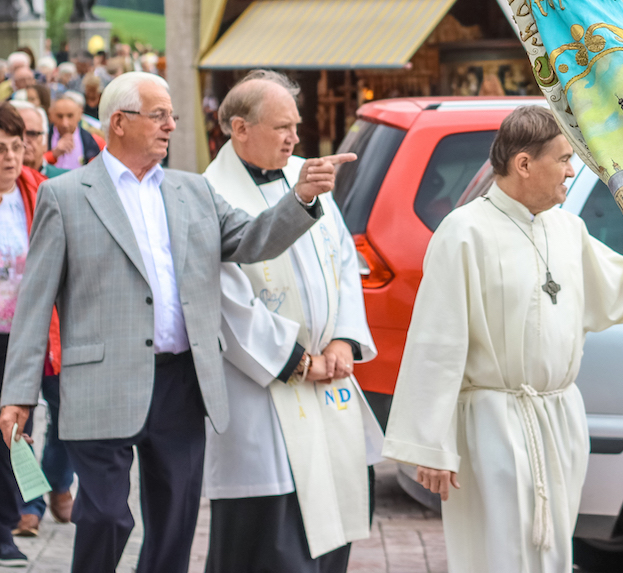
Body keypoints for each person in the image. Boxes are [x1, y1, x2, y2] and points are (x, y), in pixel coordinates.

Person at [0, 71, 356, 573]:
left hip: (181, 383)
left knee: (174, 525)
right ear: (118, 123)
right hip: (100, 382)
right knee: (106, 516)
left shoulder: (194, 193)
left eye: (172, 116)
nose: (172, 125)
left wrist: (299, 199)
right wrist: (17, 395)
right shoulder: (68, 196)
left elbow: (255, 240)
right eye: (159, 116)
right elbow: (35, 305)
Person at [384, 105, 623, 573]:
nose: (572, 171)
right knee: (500, 552)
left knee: (551, 549)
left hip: (559, 416)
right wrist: (431, 444)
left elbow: (622, 291)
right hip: (493, 421)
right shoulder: (465, 232)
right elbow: (436, 342)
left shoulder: (568, 229)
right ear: (524, 163)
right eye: (563, 159)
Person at [201, 71, 382, 572]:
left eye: (296, 126)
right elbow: (225, 298)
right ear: (239, 129)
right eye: (282, 126)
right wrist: (298, 361)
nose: (294, 137)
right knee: (271, 537)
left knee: (335, 512)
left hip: (328, 380)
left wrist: (344, 341)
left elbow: (343, 257)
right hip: (264, 388)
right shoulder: (211, 193)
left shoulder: (305, 173)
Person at [9, 102, 73, 538]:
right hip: (13, 333)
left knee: (68, 413)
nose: (27, 145)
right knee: (19, 420)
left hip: (52, 328)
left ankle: (57, 481)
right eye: (19, 137)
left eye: (33, 136)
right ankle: (26, 503)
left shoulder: (51, 190)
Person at [0, 103, 45, 563]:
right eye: (0, 149)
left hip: (23, 338)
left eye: (17, 146)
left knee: (13, 433)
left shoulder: (36, 193)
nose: (11, 157)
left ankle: (6, 526)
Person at [45, 93, 101, 173]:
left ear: (79, 114)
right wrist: (53, 155)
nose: (65, 123)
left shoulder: (92, 141)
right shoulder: (42, 137)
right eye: (59, 116)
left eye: (70, 116)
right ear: (51, 115)